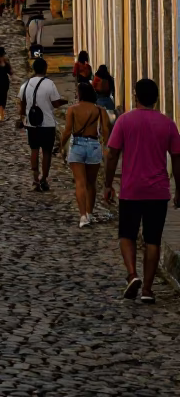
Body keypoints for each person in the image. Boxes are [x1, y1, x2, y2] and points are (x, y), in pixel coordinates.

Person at [104, 78, 180, 302]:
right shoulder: (168, 124)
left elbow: (112, 154)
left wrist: (108, 185)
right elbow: (177, 159)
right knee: (152, 239)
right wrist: (179, 190)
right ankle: (147, 289)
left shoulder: (125, 121)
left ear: (136, 96)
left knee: (127, 235)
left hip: (131, 190)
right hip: (158, 191)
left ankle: (132, 274)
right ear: (156, 98)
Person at [60, 83, 111, 229]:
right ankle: (90, 213)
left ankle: (82, 216)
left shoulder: (72, 110)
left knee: (80, 183)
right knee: (91, 183)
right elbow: (106, 129)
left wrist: (61, 146)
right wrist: (106, 146)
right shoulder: (100, 110)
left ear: (80, 94)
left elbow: (68, 130)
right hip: (94, 145)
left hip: (77, 145)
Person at [18, 56, 67, 191]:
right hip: (47, 124)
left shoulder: (25, 85)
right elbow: (56, 103)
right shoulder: (49, 84)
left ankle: (35, 178)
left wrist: (22, 117)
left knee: (34, 150)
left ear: (33, 69)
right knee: (46, 152)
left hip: (31, 124)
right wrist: (65, 101)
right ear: (45, 69)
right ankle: (44, 179)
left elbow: (21, 106)